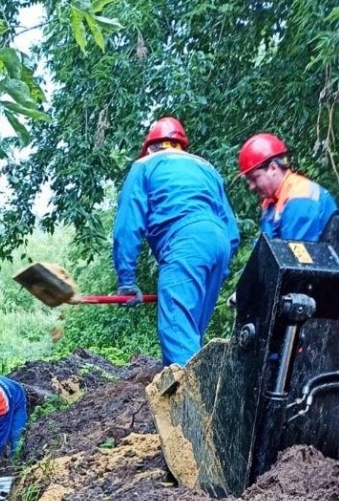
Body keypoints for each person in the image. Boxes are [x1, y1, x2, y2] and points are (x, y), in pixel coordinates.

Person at [113, 116, 240, 366]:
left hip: (184, 243)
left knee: (178, 337)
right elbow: (233, 232)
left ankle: (190, 404)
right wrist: (216, 272)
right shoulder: (206, 168)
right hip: (219, 243)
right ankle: (201, 396)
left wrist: (126, 281)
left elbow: (127, 226)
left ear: (150, 146)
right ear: (179, 145)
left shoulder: (146, 164)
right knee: (190, 336)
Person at [238, 133, 337, 241]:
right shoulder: (271, 202)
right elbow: (267, 248)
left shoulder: (300, 197)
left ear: (273, 168)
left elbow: (297, 253)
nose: (251, 186)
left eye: (255, 178)